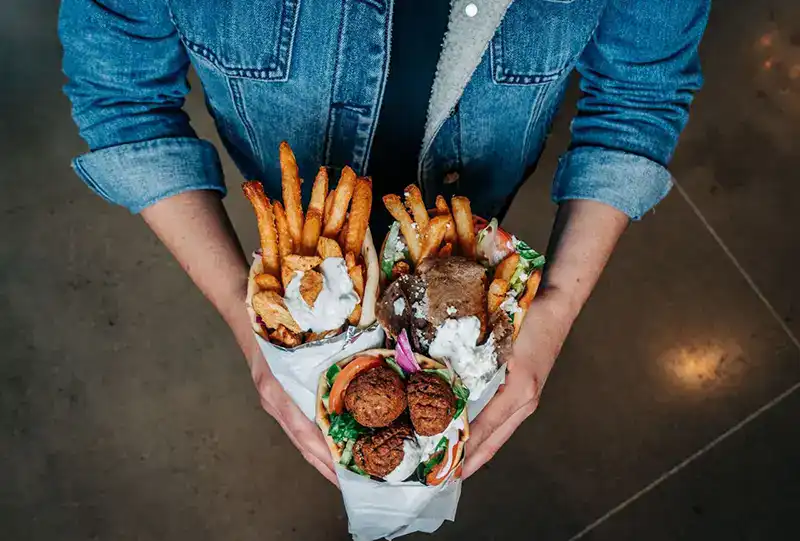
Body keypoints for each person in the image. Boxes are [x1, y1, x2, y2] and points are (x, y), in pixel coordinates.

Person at [59, 0, 710, 484]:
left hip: (464, 228)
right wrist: (241, 307)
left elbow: (638, 92)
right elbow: (119, 94)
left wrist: (559, 305)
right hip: (303, 251)